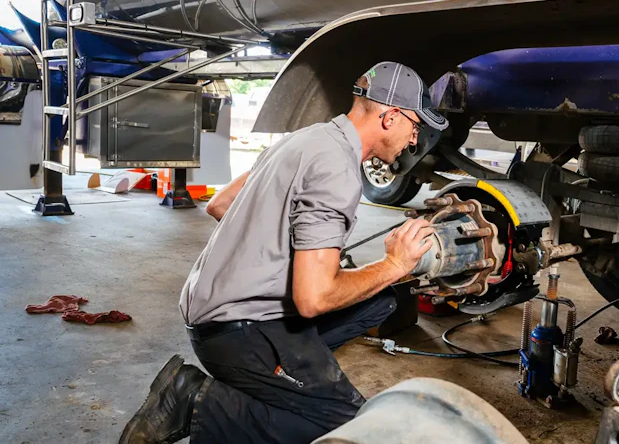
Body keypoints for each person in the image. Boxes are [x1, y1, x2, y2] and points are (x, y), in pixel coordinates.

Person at [119, 61, 449, 444]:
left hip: (208, 310)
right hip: (236, 330)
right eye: (414, 126)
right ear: (391, 117)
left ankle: (280, 387)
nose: (413, 140)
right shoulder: (337, 168)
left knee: (383, 301)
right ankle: (195, 399)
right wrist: (394, 263)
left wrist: (306, 254)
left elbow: (221, 204)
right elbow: (313, 299)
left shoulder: (306, 138)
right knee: (351, 429)